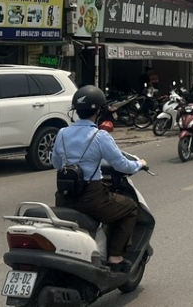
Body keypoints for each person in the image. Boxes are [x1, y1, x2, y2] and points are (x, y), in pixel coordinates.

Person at [52, 86, 147, 273]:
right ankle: (115, 256)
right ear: (99, 111)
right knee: (129, 207)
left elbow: (56, 163)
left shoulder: (62, 133)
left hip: (64, 198)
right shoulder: (99, 136)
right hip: (92, 199)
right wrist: (140, 164)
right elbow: (121, 165)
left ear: (75, 111)